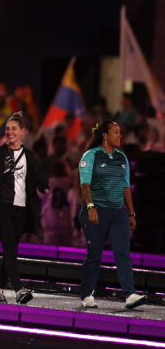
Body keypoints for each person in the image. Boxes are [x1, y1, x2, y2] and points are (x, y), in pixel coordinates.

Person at [0, 112, 48, 304]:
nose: (9, 132)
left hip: (21, 211)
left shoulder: (30, 156)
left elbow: (39, 175)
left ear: (23, 132)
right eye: (7, 129)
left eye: (14, 129)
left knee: (9, 251)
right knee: (10, 249)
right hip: (1, 210)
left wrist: (44, 186)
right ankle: (19, 291)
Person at [77, 121, 146, 309]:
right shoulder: (91, 156)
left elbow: (126, 188)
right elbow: (85, 185)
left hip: (118, 213)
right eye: (115, 132)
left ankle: (130, 294)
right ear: (104, 135)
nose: (120, 136)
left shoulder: (122, 158)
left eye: (120, 132)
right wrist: (91, 207)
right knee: (94, 253)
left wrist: (131, 213)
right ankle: (86, 295)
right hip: (96, 210)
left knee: (123, 252)